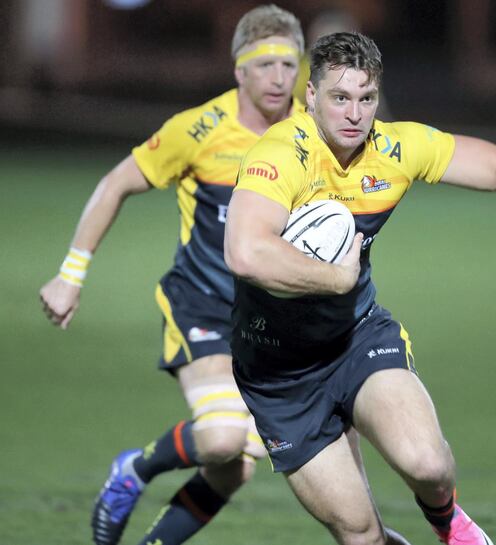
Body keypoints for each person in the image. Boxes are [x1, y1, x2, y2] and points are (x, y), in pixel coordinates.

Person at [225, 31, 496, 545]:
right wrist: (336, 277)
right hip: (278, 372)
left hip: (354, 338)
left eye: (366, 98)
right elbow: (245, 252)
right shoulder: (281, 153)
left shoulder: (394, 148)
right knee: (362, 535)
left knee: (429, 464)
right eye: (339, 98)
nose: (354, 113)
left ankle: (450, 526)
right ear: (311, 98)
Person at [39, 6, 306, 545]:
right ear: (238, 70)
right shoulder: (199, 129)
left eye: (289, 64)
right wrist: (71, 273)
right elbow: (115, 183)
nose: (278, 77)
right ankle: (134, 470)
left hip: (273, 322)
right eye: (265, 64)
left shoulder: (311, 131)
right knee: (225, 439)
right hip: (202, 304)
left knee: (231, 466)